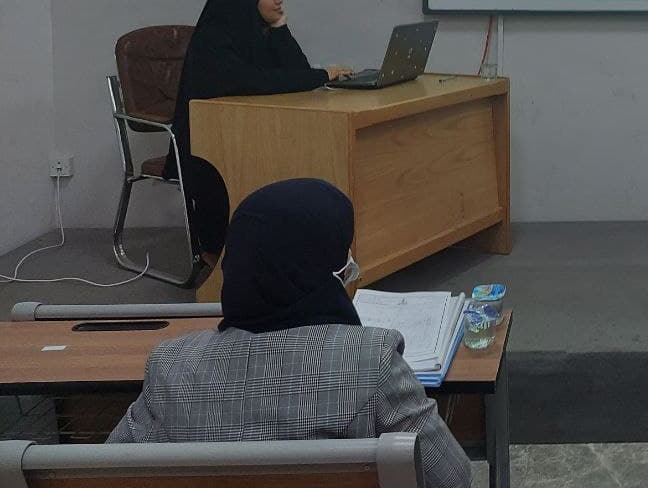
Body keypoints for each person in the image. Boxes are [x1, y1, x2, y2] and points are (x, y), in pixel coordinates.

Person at [108, 178, 472, 488]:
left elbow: (109, 472)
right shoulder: (372, 361)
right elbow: (452, 478)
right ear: (321, 268)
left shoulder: (171, 365)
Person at [167, 0, 350, 274]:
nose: (279, 0)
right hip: (206, 142)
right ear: (245, 0)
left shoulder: (257, 32)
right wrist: (322, 75)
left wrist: (280, 29)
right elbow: (255, 82)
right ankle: (218, 252)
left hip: (250, 131)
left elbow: (296, 73)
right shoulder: (213, 39)